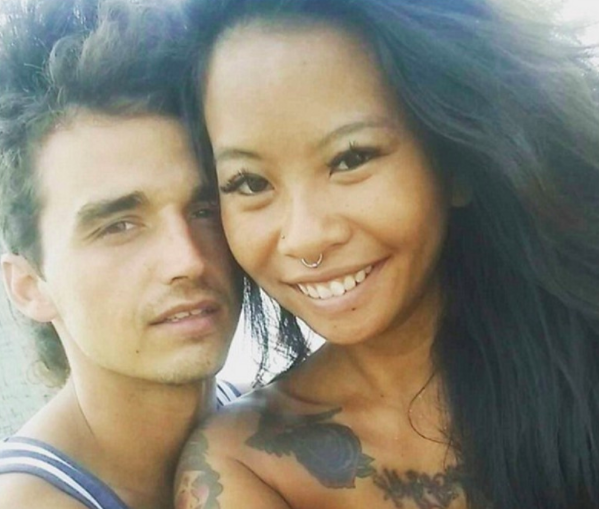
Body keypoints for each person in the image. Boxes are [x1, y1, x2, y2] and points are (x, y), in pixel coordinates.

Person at [175, 0, 599, 508]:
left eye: (351, 158)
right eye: (249, 183)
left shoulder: (581, 350)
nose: (305, 238)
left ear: (455, 161)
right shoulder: (244, 466)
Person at [0, 0, 242, 507]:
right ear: (29, 286)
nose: (188, 260)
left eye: (205, 209)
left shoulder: (272, 427)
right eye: (119, 226)